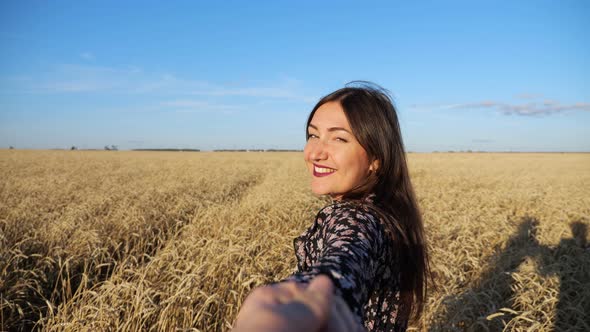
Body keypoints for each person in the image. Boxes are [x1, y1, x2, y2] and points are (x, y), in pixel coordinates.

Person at [233, 82, 432, 332]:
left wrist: (314, 299)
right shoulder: (386, 209)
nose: (315, 153)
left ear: (376, 159)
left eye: (338, 138)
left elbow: (344, 257)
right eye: (313, 135)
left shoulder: (356, 219)